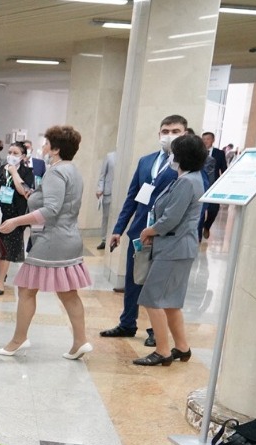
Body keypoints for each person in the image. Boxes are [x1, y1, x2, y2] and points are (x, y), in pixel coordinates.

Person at [0, 125, 91, 360]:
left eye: (47, 143)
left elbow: (51, 210)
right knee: (68, 293)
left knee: (27, 289)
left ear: (56, 149)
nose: (44, 147)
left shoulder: (56, 173)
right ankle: (80, 341)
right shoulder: (71, 170)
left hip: (52, 239)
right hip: (68, 237)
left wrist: (16, 221)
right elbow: (43, 199)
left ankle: (18, 339)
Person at [100, 114, 188, 346]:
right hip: (139, 231)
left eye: (175, 131)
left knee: (156, 286)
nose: (169, 136)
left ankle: (154, 331)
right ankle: (127, 323)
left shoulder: (186, 166)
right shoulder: (146, 161)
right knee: (133, 280)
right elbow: (133, 197)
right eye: (165, 131)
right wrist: (119, 228)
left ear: (185, 134)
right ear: (159, 134)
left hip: (165, 234)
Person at [133, 134, 206, 366]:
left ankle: (162, 351)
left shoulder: (186, 182)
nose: (170, 156)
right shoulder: (190, 178)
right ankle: (182, 347)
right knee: (172, 302)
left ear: (181, 156)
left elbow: (170, 218)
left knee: (152, 298)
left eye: (174, 152)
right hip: (179, 247)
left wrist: (149, 231)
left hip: (173, 248)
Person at [0, 141, 34, 294]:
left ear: (23, 156)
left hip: (14, 215)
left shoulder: (27, 172)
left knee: (7, 249)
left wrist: (14, 173)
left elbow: (24, 192)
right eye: (10, 152)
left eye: (15, 153)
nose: (11, 156)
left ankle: (0, 281)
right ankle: (2, 273)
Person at [199, 131, 228, 240]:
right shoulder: (198, 152)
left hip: (214, 186)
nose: (205, 141)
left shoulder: (219, 153)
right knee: (200, 211)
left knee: (213, 210)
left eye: (208, 139)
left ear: (213, 140)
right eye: (203, 139)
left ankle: (207, 226)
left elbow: (224, 169)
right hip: (200, 185)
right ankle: (198, 234)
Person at [94, 150, 116, 251]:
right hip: (108, 191)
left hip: (120, 192)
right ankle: (104, 239)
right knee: (106, 217)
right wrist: (100, 188)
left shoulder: (127, 157)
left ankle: (114, 239)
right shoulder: (109, 156)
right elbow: (102, 174)